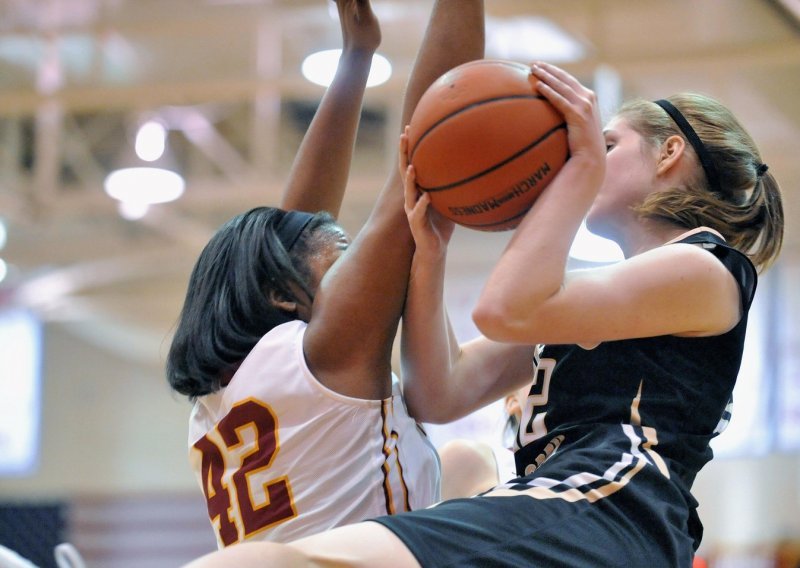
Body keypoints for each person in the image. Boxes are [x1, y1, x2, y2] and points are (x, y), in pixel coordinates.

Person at [182, 58, 784, 567]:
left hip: (614, 508)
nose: (589, 156)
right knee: (460, 464)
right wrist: (429, 257)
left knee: (259, 561)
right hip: (566, 509)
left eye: (606, 146)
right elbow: (438, 394)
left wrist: (574, 175)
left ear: (670, 153)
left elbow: (505, 308)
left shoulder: (711, 267)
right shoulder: (600, 298)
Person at [166, 0, 486, 547]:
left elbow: (292, 229)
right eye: (340, 251)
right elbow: (422, 159)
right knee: (472, 470)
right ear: (281, 294)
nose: (354, 263)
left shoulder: (220, 401)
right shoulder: (323, 356)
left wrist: (357, 57)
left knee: (468, 464)